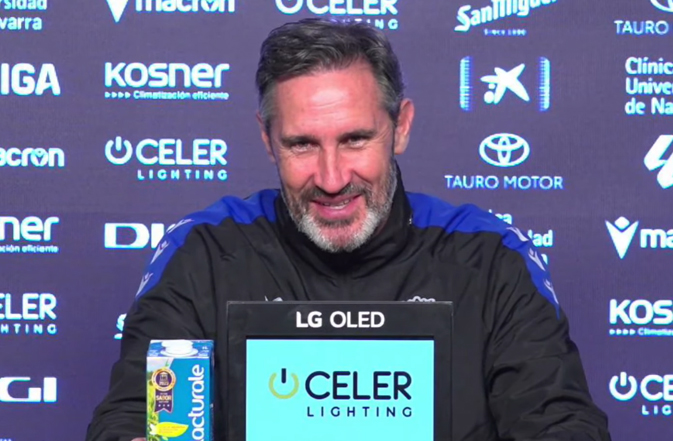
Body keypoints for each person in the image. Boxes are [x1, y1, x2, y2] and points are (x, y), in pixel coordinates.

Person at [86, 18, 611, 441]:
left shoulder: (488, 257)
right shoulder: (205, 254)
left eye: (355, 140)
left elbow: (559, 422)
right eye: (302, 144)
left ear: (400, 127)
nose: (332, 179)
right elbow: (147, 418)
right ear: (267, 141)